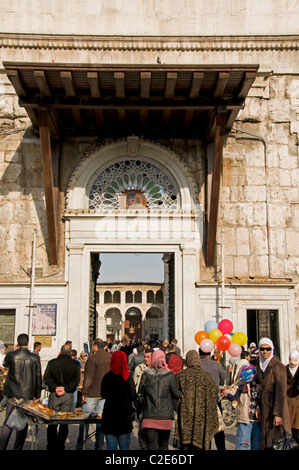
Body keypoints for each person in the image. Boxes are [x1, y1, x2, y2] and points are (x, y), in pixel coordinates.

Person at [0, 333, 42, 450]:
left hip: (12, 393)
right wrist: (37, 395)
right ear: (28, 343)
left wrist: (13, 351)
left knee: (8, 422)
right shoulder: (34, 357)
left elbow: (5, 365)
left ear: (17, 343)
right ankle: (18, 447)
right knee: (22, 423)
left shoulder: (11, 355)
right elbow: (38, 377)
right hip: (27, 394)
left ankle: (2, 445)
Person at [137, 349, 181, 450]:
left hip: (149, 415)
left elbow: (140, 395)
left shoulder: (146, 374)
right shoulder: (170, 375)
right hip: (165, 416)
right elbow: (176, 394)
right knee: (164, 446)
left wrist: (139, 413)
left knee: (151, 446)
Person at [174, 350, 219, 450]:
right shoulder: (208, 377)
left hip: (186, 416)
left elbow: (175, 393)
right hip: (203, 417)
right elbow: (215, 392)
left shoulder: (181, 375)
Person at [256, 337, 292, 450]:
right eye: (262, 349)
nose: (265, 352)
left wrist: (278, 414)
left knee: (277, 441)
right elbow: (258, 387)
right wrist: (257, 406)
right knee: (266, 439)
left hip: (275, 407)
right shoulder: (259, 365)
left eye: (268, 349)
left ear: (272, 350)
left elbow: (281, 391)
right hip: (264, 406)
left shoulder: (278, 366)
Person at [43, 344, 81, 450]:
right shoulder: (75, 364)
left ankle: (51, 445)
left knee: (52, 421)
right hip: (68, 395)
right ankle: (60, 445)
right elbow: (76, 381)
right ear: (70, 353)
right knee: (64, 422)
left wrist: (55, 387)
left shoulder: (52, 363)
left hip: (54, 395)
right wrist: (65, 388)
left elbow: (46, 378)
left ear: (60, 352)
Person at [76, 338, 111, 450]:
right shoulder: (110, 358)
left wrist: (84, 393)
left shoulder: (92, 359)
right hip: (105, 394)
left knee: (84, 420)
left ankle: (81, 445)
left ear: (95, 346)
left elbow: (88, 378)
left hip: (92, 394)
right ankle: (99, 445)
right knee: (100, 421)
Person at [101, 350, 136, 450]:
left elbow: (103, 394)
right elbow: (133, 395)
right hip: (124, 417)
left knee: (111, 448)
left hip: (109, 417)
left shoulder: (107, 377)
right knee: (125, 448)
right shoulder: (127, 377)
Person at [223, 365, 262, 450]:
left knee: (257, 444)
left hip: (257, 419)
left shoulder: (259, 384)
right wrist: (228, 394)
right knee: (243, 444)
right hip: (244, 418)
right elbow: (232, 393)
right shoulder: (240, 384)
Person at [199, 347, 226, 450]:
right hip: (215, 401)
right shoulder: (217, 365)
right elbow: (223, 377)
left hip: (202, 402)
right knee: (218, 430)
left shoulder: (198, 366)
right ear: (209, 353)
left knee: (205, 431)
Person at [133, 348, 153, 449]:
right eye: (145, 357)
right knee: (142, 427)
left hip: (152, 404)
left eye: (148, 357)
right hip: (141, 402)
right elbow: (134, 384)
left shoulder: (156, 370)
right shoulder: (139, 368)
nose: (145, 359)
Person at [286, 349, 299, 444]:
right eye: (291, 359)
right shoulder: (284, 369)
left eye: (295, 360)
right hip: (287, 401)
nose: (292, 362)